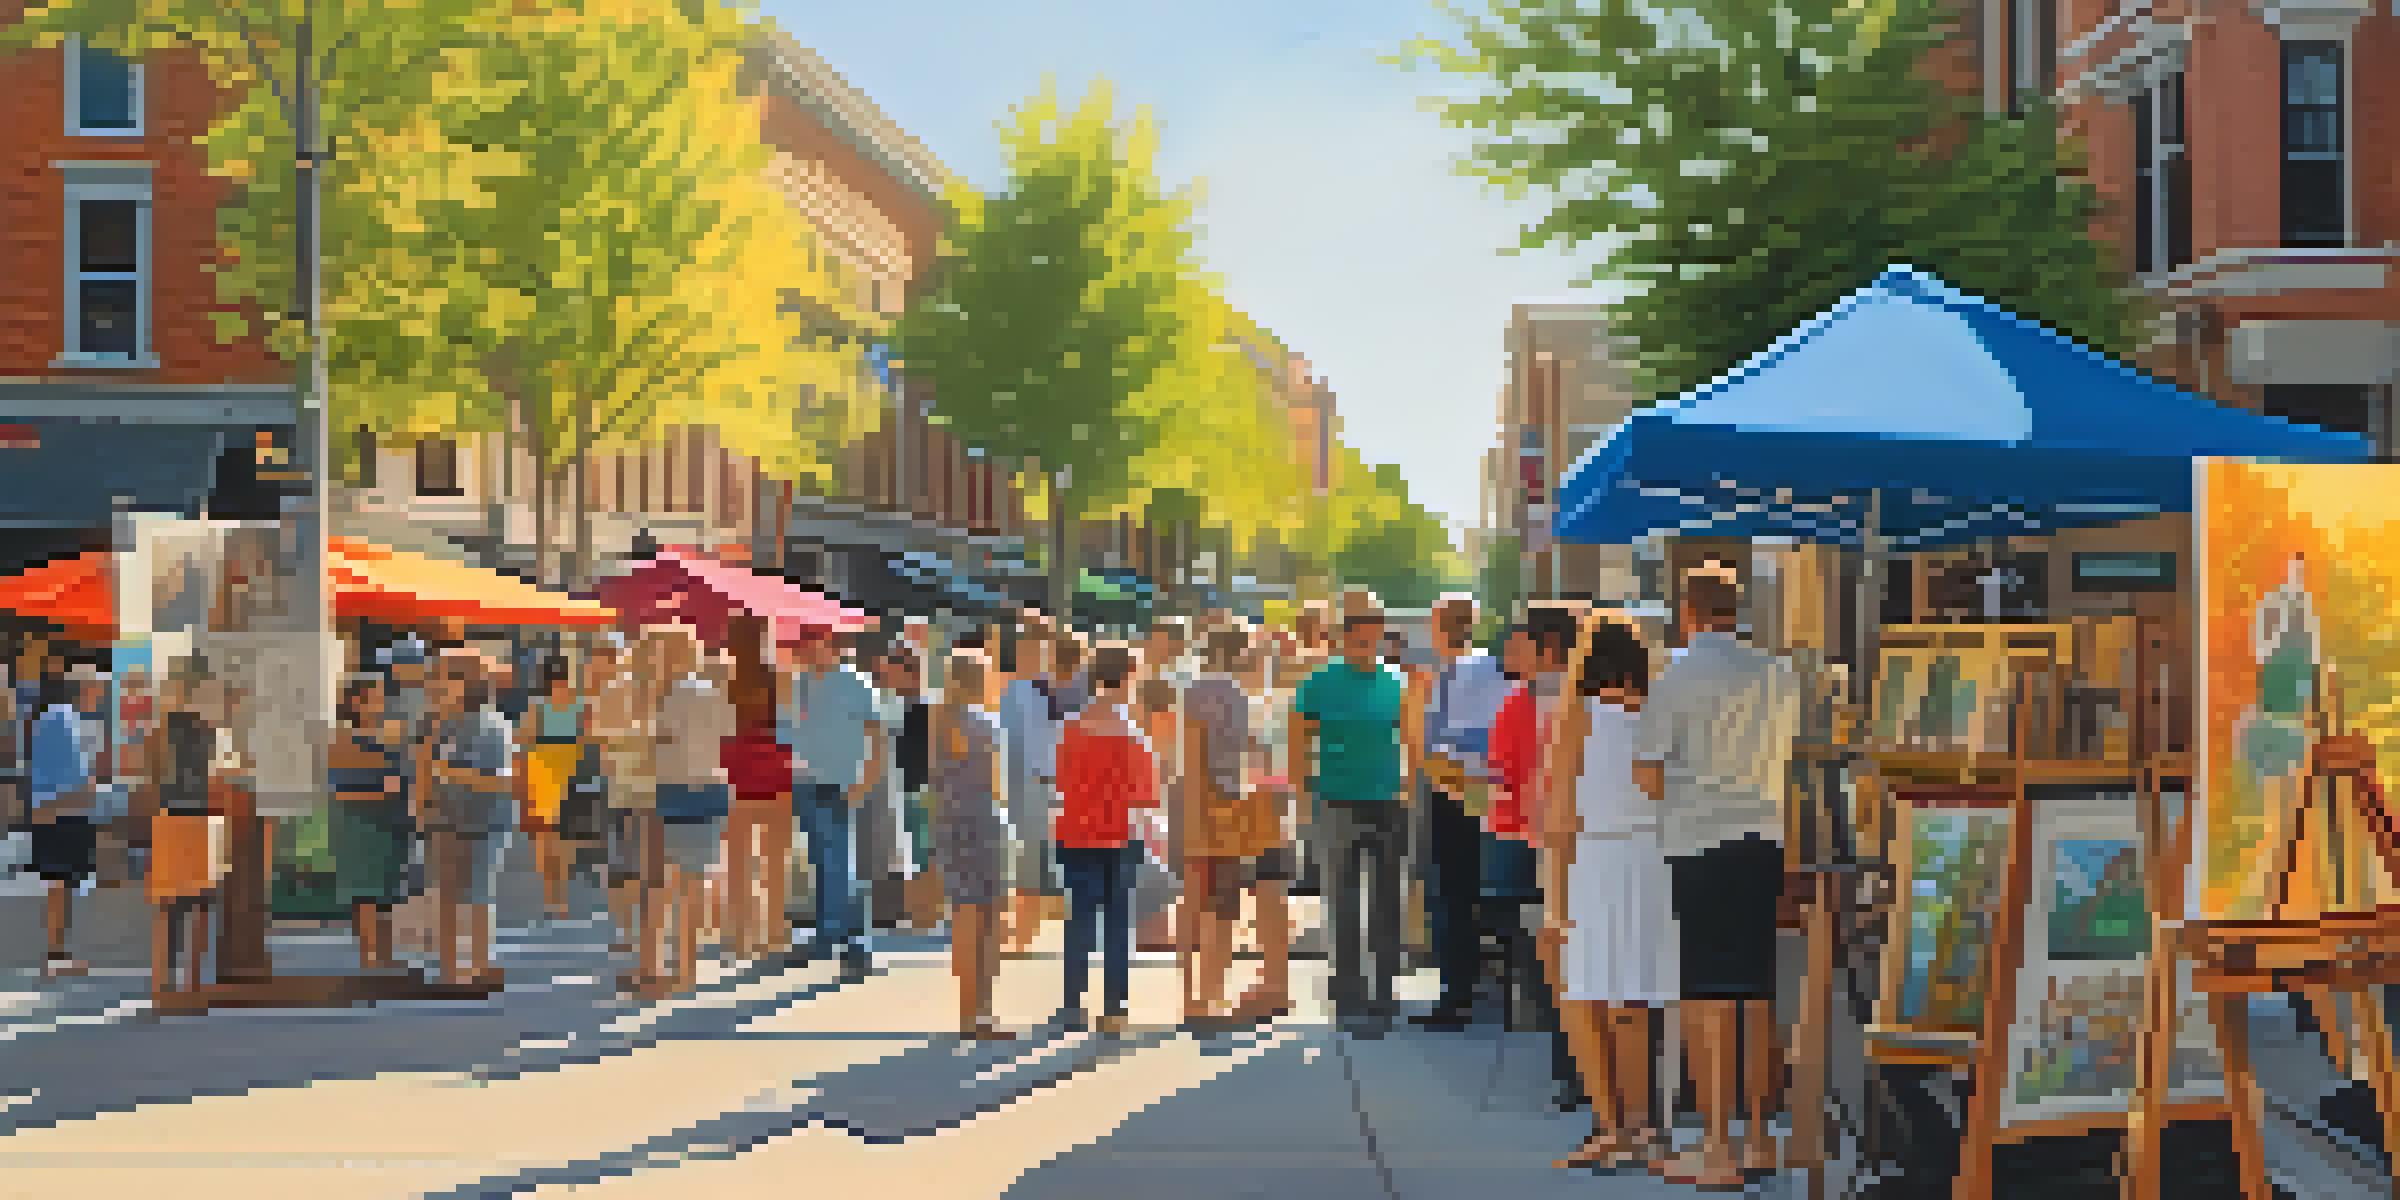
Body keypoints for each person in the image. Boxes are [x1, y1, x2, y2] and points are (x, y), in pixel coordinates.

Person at [1638, 574, 1801, 1188]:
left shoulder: (1673, 677)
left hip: (1699, 840)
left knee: (1707, 996)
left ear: (1687, 611)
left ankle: (1717, 1148)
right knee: (1757, 990)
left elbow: (1649, 773)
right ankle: (1759, 1140)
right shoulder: (1779, 674)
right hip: (1763, 838)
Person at [1547, 616, 1675, 1171]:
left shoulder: (1579, 712)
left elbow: (1558, 813)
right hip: (1651, 857)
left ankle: (1612, 1125)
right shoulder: (1659, 711)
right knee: (1634, 999)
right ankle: (1641, 1126)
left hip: (1597, 857)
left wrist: (1555, 894)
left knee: (1585, 996)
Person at [1294, 590, 1413, 1037]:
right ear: (1343, 638)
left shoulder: (1396, 682)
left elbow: (1411, 742)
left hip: (1387, 802)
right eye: (1357, 633)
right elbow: (1299, 743)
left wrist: (1410, 792)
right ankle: (1348, 997)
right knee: (1343, 902)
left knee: (1387, 902)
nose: (1366, 640)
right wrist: (1305, 800)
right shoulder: (1319, 682)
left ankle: (1384, 995)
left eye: (1373, 633)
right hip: (1336, 801)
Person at [1414, 595, 1519, 1029]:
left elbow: (1429, 743)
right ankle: (1509, 992)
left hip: (1453, 793)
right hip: (1497, 794)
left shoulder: (1440, 676)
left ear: (1439, 626)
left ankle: (1457, 997)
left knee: (1452, 896)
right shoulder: (1498, 670)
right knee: (1497, 892)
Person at [1054, 644, 1157, 1035]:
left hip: (1077, 829)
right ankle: (1115, 1007)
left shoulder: (1071, 728)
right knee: (1117, 920)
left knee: (1080, 916)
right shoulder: (1134, 734)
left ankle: (1072, 1005)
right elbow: (1147, 794)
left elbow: (1061, 782)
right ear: (1130, 677)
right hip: (1122, 832)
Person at [1176, 627, 1266, 1026]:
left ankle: (1189, 995)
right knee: (1224, 905)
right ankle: (1214, 995)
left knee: (1192, 901)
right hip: (1229, 802)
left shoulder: (1193, 691)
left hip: (1193, 799)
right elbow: (1247, 753)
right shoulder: (1240, 695)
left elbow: (1190, 751)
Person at [782, 625, 884, 973]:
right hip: (807, 783)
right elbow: (791, 733)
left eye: (809, 642)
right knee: (821, 864)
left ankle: (857, 945)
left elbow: (878, 738)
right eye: (801, 643)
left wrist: (864, 784)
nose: (803, 650)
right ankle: (827, 940)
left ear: (829, 643)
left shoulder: (856, 683)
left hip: (842, 785)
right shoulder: (799, 685)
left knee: (842, 865)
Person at [932, 648, 1012, 1039]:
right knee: (991, 919)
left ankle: (966, 1013)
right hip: (984, 821)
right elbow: (999, 786)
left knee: (963, 915)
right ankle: (984, 1010)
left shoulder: (939, 721)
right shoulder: (987, 724)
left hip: (948, 821)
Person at [424, 653, 515, 987]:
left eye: (445, 678)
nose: (436, 685)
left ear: (467, 684)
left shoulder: (493, 727)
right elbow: (428, 771)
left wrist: (452, 773)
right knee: (446, 896)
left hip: (485, 823)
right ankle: (449, 969)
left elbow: (500, 782)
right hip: (446, 820)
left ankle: (479, 967)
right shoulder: (440, 725)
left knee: (477, 894)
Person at [652, 628, 734, 994]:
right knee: (695, 881)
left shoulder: (675, 695)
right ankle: (689, 965)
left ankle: (683, 970)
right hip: (711, 785)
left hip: (681, 789)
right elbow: (726, 736)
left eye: (658, 653)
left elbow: (663, 742)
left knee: (681, 884)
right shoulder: (712, 692)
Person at [591, 631, 662, 983]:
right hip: (625, 787)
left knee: (640, 865)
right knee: (624, 863)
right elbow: (599, 735)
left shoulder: (663, 690)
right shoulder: (615, 691)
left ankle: (636, 935)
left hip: (648, 788)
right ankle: (627, 931)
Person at [327, 675, 410, 972]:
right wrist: (379, 793)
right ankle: (370, 959)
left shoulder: (393, 735)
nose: (380, 702)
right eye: (373, 696)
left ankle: (385, 956)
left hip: (392, 825)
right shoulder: (342, 740)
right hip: (359, 827)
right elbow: (336, 791)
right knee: (364, 895)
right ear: (355, 702)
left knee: (387, 895)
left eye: (380, 696)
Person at [723, 615, 791, 960]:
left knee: (739, 863)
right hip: (776, 772)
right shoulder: (780, 678)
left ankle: (741, 938)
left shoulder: (724, 679)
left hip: (737, 772)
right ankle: (774, 935)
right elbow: (792, 724)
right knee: (774, 862)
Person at [997, 628, 1063, 956]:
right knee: (1026, 859)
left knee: (1031, 860)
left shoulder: (1048, 691)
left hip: (1038, 783)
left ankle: (1025, 935)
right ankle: (1023, 932)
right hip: (1022, 782)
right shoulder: (1017, 690)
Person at [28, 671, 95, 978]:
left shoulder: (46, 719)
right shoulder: (64, 719)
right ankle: (56, 956)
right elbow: (74, 771)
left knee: (59, 882)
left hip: (52, 809)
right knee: (60, 882)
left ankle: (57, 954)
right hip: (62, 810)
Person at [516, 655, 588, 923]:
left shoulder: (577, 707)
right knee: (546, 841)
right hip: (544, 777)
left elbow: (586, 742)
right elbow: (523, 745)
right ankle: (551, 896)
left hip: (565, 776)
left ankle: (559, 896)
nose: (559, 684)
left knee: (563, 840)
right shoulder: (539, 709)